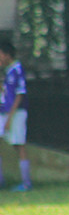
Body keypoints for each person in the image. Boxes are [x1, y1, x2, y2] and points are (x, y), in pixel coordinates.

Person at [0, 40, 31, 191]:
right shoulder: (8, 72)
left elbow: (19, 95)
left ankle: (26, 183)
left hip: (16, 113)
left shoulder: (17, 70)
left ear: (7, 55)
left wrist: (10, 118)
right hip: (5, 112)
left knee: (19, 145)